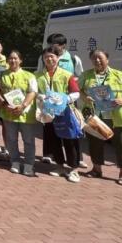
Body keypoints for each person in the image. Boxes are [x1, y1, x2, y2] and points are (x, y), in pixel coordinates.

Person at [79, 49, 122, 186]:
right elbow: (78, 90)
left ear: (107, 59)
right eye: (94, 58)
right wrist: (85, 97)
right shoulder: (86, 75)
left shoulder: (120, 75)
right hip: (96, 116)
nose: (97, 60)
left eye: (100, 58)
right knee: (95, 143)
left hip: (118, 116)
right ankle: (96, 169)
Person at [36, 46, 82, 183]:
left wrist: (65, 99)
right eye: (46, 57)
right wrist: (40, 96)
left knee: (70, 140)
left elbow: (76, 92)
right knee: (53, 139)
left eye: (52, 56)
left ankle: (74, 169)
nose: (49, 59)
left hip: (65, 112)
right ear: (43, 59)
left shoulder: (66, 74)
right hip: (48, 113)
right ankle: (60, 166)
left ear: (57, 58)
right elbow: (34, 91)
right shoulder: (38, 75)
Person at [0, 50, 38, 176]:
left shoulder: (29, 75)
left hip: (25, 113)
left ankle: (29, 165)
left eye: (15, 58)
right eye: (11, 58)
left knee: (28, 140)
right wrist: (3, 103)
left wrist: (23, 106)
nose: (13, 60)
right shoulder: (1, 74)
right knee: (11, 139)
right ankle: (15, 162)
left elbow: (32, 92)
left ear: (20, 60)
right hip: (8, 112)